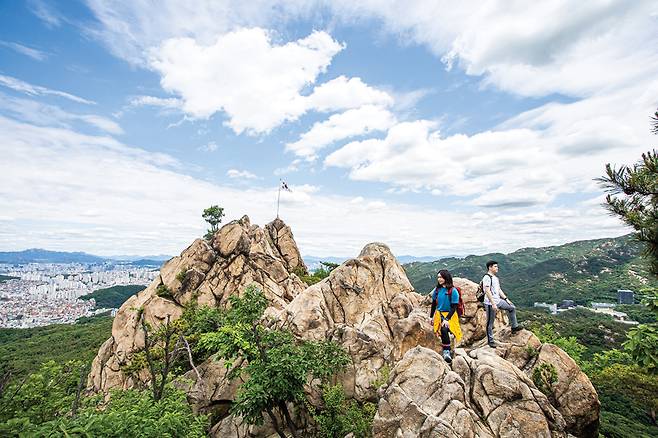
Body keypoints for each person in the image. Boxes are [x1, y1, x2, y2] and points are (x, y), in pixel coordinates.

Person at [482, 260, 521, 348]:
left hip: (498, 300)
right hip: (490, 303)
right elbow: (487, 291)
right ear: (490, 267)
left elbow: (499, 290)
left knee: (512, 308)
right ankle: (490, 341)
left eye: (497, 266)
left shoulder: (495, 278)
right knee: (490, 323)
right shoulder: (487, 277)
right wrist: (493, 304)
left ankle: (514, 326)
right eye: (495, 266)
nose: (497, 268)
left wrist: (506, 299)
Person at [429, 269, 462, 363]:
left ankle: (446, 352)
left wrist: (447, 319)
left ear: (446, 277)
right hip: (439, 314)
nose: (439, 279)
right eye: (438, 277)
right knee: (442, 330)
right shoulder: (437, 290)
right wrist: (431, 317)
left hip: (450, 315)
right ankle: (447, 349)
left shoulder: (453, 290)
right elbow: (434, 304)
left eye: (441, 277)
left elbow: (454, 307)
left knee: (444, 328)